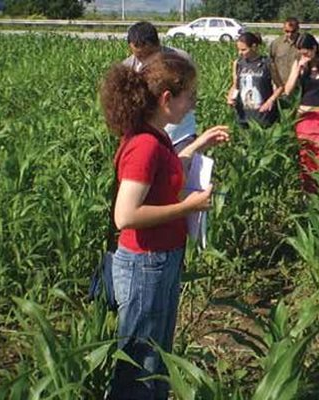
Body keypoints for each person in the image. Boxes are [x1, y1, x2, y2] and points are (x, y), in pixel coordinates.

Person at [100, 53, 230, 400]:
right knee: (141, 360)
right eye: (190, 96)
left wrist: (199, 145)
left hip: (160, 259)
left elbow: (167, 170)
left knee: (156, 355)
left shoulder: (156, 137)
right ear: (167, 99)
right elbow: (125, 216)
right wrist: (187, 206)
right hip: (146, 263)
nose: (193, 104)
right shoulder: (144, 146)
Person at [123, 21, 198, 150]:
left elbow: (192, 91)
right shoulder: (129, 67)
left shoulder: (179, 59)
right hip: (148, 133)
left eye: (149, 54)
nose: (145, 60)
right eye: (139, 55)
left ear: (157, 45)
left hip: (180, 130)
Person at [284, 33, 319, 193]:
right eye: (300, 53)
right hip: (305, 119)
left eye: (305, 52)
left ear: (314, 48)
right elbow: (288, 90)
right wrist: (298, 70)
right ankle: (307, 195)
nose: (303, 55)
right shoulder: (299, 64)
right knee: (305, 158)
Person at [227, 32, 282, 128]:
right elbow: (235, 85)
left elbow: (280, 86)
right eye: (239, 50)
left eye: (244, 50)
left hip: (262, 114)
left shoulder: (267, 63)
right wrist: (230, 96)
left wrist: (270, 101)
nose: (240, 53)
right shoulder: (238, 63)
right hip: (243, 114)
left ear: (254, 47)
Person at [269, 17, 301, 94]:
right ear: (283, 29)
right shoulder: (276, 44)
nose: (289, 34)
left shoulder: (304, 42)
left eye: (293, 32)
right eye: (287, 31)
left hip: (299, 87)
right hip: (279, 87)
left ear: (298, 29)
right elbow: (271, 64)